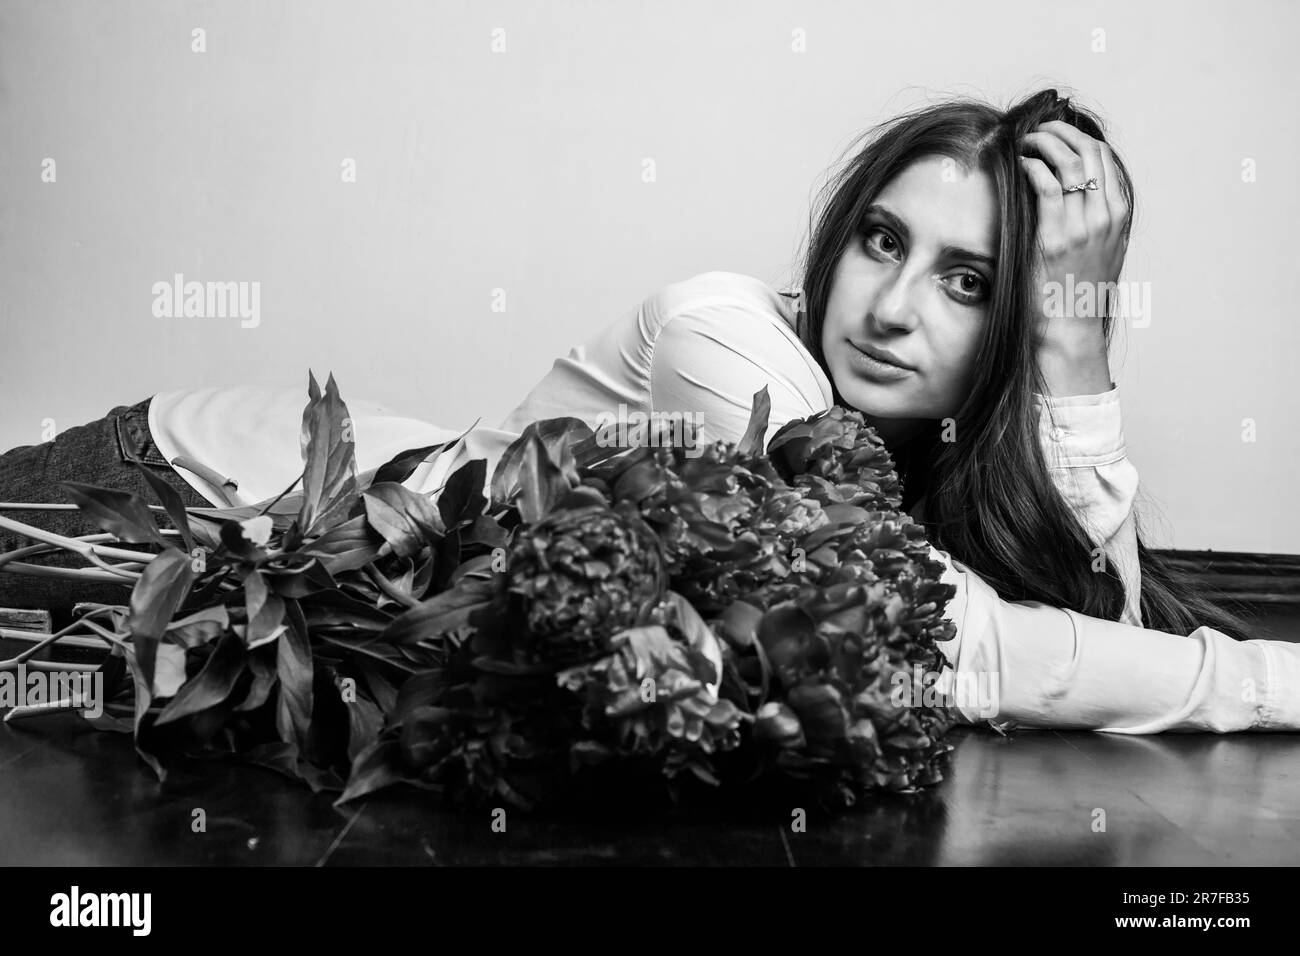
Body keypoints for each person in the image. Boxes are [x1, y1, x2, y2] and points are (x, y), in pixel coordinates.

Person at [2, 89, 1295, 733]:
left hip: (252, 612)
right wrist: (1268, 682)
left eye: (969, 281)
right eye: (882, 241)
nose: (892, 307)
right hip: (162, 492)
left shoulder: (912, 456)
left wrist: (1076, 343)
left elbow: (1092, 622)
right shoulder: (720, 341)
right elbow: (960, 651)